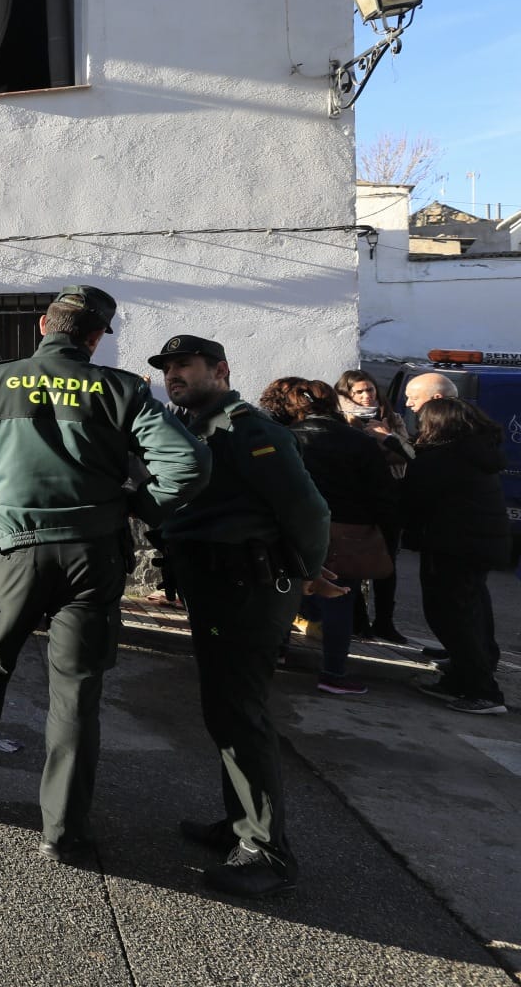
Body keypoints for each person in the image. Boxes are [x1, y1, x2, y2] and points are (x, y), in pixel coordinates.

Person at [0, 287, 208, 865]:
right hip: (92, 557)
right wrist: (137, 507)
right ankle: (63, 830)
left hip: (14, 552)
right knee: (76, 689)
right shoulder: (122, 389)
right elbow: (188, 462)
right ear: (96, 337)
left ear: (44, 325)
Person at [154, 336, 333, 899]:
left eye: (185, 365)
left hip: (248, 591)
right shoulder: (192, 426)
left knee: (240, 713)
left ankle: (268, 852)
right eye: (168, 368)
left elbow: (307, 509)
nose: (174, 375)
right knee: (223, 710)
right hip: (216, 588)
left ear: (221, 370)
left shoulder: (250, 430)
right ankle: (240, 825)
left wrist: (308, 571)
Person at [258, 377, 396, 697]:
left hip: (295, 527)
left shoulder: (286, 437)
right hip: (348, 530)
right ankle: (333, 673)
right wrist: (385, 534)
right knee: (339, 600)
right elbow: (383, 494)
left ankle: (276, 652)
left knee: (287, 590)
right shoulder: (359, 441)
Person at [403, 397, 510, 716]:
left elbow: (413, 496)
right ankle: (461, 679)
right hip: (476, 545)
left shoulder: (443, 458)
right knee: (467, 613)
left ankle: (483, 691)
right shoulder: (474, 451)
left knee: (453, 618)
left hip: (453, 547)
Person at [335, 368, 413, 644]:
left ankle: (384, 622)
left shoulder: (390, 417)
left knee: (387, 562)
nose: (367, 396)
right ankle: (358, 621)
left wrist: (385, 437)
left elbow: (406, 455)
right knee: (352, 561)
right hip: (356, 499)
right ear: (346, 395)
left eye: (370, 389)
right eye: (359, 391)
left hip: (390, 497)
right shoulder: (341, 420)